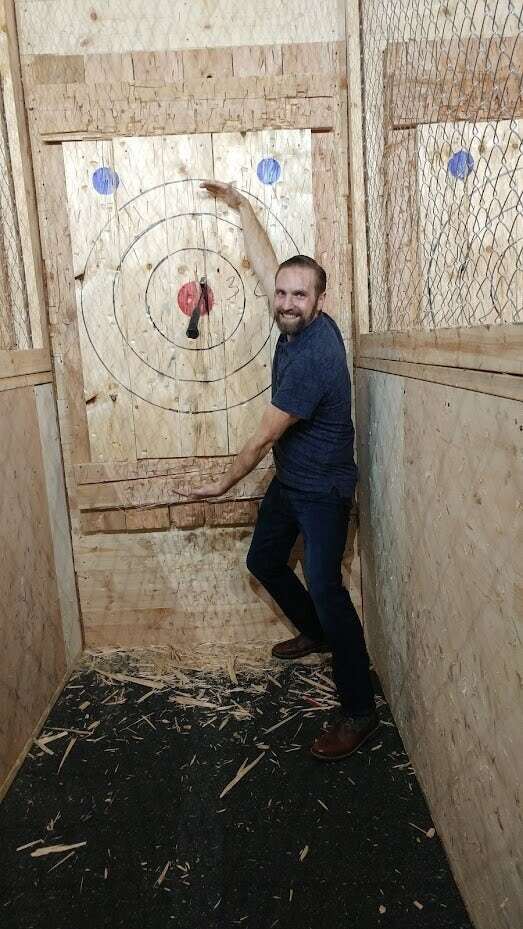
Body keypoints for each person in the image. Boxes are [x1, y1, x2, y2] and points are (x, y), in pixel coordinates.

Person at [181, 180, 378, 760]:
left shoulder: (312, 359)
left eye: (300, 295)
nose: (288, 302)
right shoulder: (303, 319)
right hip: (293, 480)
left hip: (323, 491)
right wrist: (244, 208)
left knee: (327, 587)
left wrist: (220, 484)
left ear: (320, 301)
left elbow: (262, 438)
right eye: (283, 293)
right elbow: (270, 264)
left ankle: (360, 710)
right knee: (264, 560)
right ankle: (313, 631)